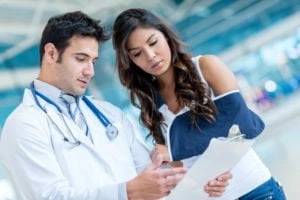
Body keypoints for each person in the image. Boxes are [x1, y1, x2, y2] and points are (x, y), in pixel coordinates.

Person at [0, 11, 231, 200]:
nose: (89, 71)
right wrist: (126, 192)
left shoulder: (108, 114)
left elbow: (151, 174)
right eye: (80, 59)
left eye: (93, 61)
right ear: (51, 53)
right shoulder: (23, 125)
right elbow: (49, 196)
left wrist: (200, 182)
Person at [112, 8, 287, 200]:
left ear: (166, 36)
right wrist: (202, 182)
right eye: (137, 53)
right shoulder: (150, 105)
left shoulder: (206, 67)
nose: (151, 55)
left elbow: (242, 124)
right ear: (130, 61)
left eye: (153, 42)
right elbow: (179, 166)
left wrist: (176, 149)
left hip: (255, 191)